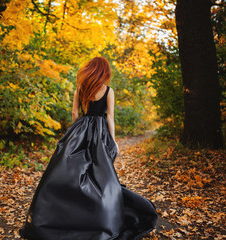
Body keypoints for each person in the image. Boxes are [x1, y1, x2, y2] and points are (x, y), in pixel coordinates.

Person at [19, 57, 157, 240]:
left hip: (81, 130)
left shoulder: (80, 89)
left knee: (72, 170)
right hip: (100, 133)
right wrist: (113, 140)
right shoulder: (108, 91)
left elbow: (75, 113)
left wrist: (75, 131)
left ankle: (70, 212)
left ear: (91, 70)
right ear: (104, 72)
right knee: (100, 173)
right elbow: (109, 117)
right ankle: (99, 213)